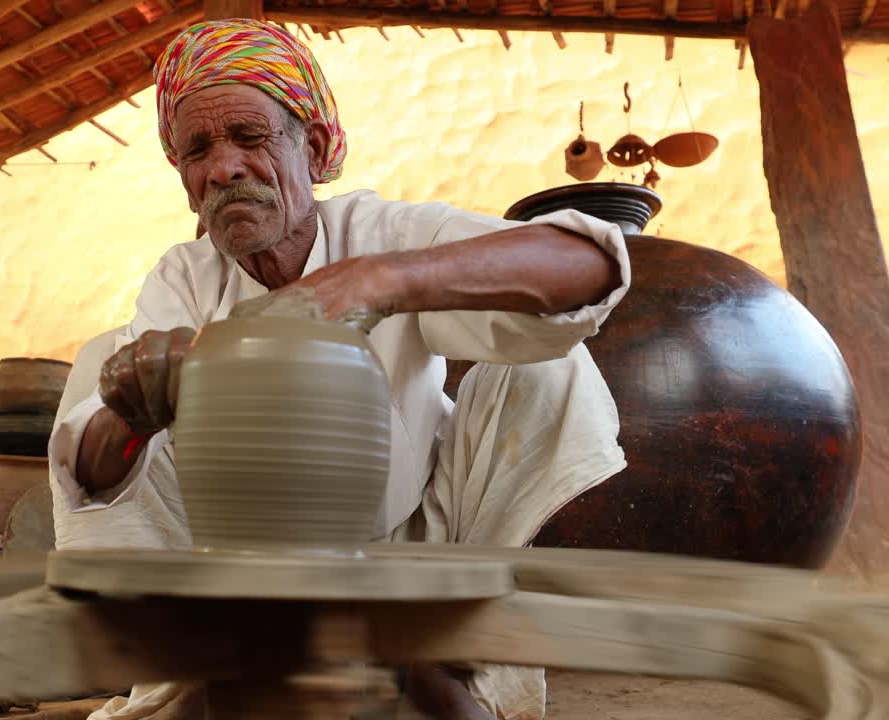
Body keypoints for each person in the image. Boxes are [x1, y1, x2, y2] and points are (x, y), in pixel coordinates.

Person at [49, 19, 631, 720]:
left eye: (249, 136)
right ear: (185, 178)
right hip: (240, 580)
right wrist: (132, 410)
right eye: (197, 149)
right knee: (101, 364)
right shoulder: (183, 279)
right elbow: (89, 472)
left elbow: (589, 265)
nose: (223, 168)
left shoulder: (378, 234)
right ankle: (205, 673)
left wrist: (379, 281)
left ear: (315, 147)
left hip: (418, 564)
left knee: (549, 362)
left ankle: (443, 667)